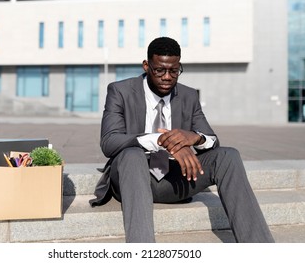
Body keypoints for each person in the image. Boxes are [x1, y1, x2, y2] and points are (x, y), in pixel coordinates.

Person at [90, 36, 274, 243]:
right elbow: (109, 142)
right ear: (146, 66)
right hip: (130, 178)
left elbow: (212, 140)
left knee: (228, 156)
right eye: (160, 70)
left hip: (174, 180)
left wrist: (193, 138)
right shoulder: (120, 91)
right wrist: (163, 140)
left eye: (174, 70)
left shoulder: (188, 96)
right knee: (132, 154)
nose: (167, 77)